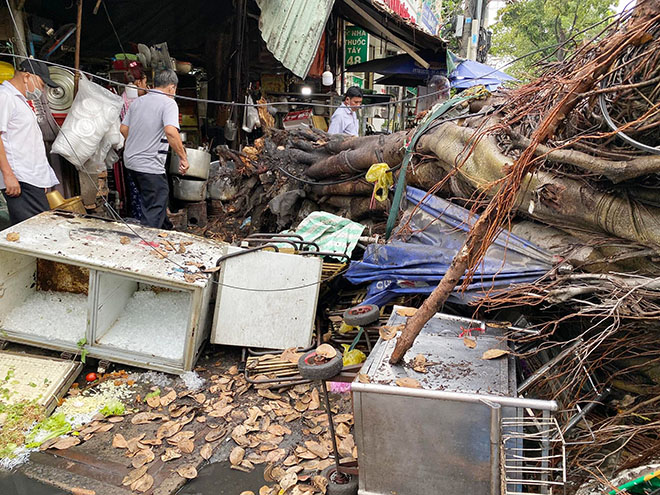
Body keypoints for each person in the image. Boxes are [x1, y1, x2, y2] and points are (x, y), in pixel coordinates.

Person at [120, 69, 189, 229]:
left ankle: (167, 230)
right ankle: (148, 243)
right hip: (149, 165)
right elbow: (171, 131)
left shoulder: (138, 101)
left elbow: (123, 129)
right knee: (156, 200)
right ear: (172, 87)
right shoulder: (168, 103)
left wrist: (138, 142)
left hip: (130, 162)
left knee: (153, 198)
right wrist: (183, 157)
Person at [0, 59, 60, 225]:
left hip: (32, 177)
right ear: (27, 76)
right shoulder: (4, 96)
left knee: (37, 226)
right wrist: (8, 175)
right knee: (35, 229)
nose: (42, 90)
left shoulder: (19, 100)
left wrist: (44, 178)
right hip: (20, 178)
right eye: (41, 84)